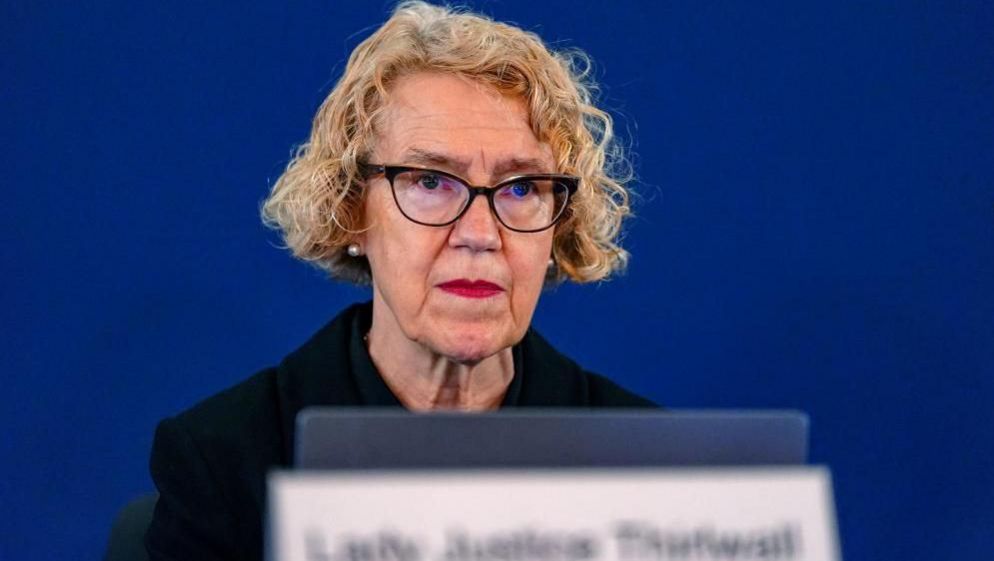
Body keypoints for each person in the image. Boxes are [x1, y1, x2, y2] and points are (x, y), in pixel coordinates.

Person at [144, 2, 656, 560]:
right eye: (431, 181)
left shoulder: (650, 462)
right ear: (352, 211)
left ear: (558, 227)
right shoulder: (224, 461)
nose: (480, 233)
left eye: (520, 188)